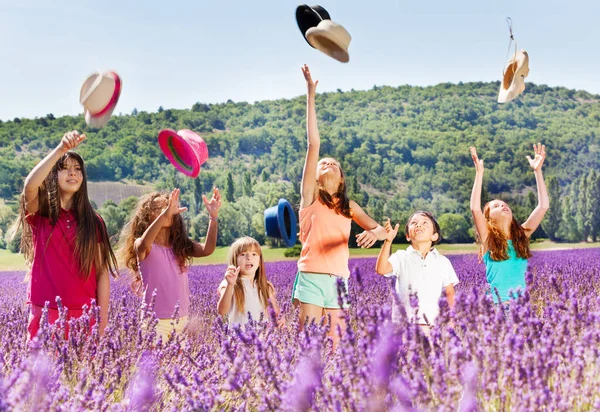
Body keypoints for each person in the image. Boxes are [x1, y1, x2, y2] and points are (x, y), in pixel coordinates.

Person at [292, 64, 387, 348]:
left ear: (341, 177)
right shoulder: (310, 197)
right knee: (308, 341)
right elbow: (314, 144)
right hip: (310, 276)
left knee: (336, 343)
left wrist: (376, 233)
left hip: (338, 280)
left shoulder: (349, 207)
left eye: (335, 163)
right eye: (324, 164)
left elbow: (382, 230)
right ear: (317, 179)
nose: (328, 163)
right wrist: (310, 94)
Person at [10, 130, 118, 341]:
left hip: (85, 317)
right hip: (44, 314)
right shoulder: (41, 214)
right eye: (65, 169)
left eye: (78, 169)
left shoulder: (93, 222)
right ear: (53, 175)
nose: (73, 173)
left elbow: (102, 274)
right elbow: (30, 187)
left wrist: (102, 323)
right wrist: (61, 149)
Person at [119, 187, 221, 340]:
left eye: (168, 206)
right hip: (155, 321)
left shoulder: (179, 246)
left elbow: (207, 250)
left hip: (182, 319)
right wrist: (164, 215)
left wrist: (213, 218)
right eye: (157, 208)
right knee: (157, 363)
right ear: (147, 216)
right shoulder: (144, 245)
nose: (165, 210)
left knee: (180, 363)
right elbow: (143, 245)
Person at [469, 144, 549, 303]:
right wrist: (479, 173)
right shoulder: (488, 240)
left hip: (521, 307)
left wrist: (538, 171)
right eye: (496, 206)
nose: (503, 205)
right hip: (498, 306)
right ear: (489, 218)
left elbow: (543, 206)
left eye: (504, 204)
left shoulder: (522, 236)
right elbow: (475, 209)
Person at [375, 212, 458, 330]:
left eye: (424, 223)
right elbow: (381, 269)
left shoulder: (442, 261)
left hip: (431, 326)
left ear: (434, 236)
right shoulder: (401, 257)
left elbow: (450, 293)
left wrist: (452, 319)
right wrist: (388, 241)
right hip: (403, 325)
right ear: (408, 236)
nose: (419, 225)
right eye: (414, 223)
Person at [217, 236, 283, 326]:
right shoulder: (229, 284)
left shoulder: (265, 286)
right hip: (238, 338)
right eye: (243, 254)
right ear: (234, 260)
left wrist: (280, 319)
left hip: (263, 338)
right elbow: (222, 311)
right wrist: (230, 285)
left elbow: (276, 313)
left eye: (254, 254)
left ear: (260, 261)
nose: (249, 258)